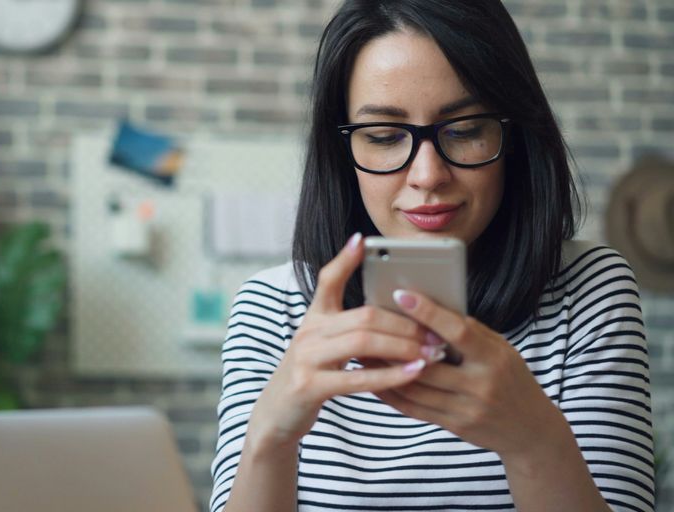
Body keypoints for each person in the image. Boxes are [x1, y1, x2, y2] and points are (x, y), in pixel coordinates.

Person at [208, 1, 654, 511]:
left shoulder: (589, 290)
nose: (427, 175)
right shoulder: (271, 306)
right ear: (341, 153)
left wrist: (535, 440)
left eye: (464, 131)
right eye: (382, 136)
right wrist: (270, 439)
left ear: (514, 139)